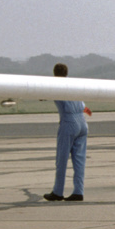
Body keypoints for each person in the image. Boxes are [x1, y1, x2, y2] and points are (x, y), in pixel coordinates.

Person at [44, 63, 89, 201]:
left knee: (61, 159)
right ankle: (78, 191)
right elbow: (83, 105)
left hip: (69, 122)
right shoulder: (74, 84)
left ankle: (58, 191)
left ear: (54, 73)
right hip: (82, 121)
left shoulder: (56, 85)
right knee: (79, 160)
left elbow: (42, 95)